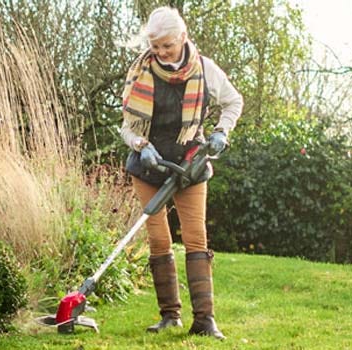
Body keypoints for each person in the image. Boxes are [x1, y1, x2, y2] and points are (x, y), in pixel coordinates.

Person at [120, 6, 243, 339]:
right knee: (159, 239)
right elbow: (127, 127)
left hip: (190, 162)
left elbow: (233, 101)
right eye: (155, 46)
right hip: (148, 165)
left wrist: (221, 132)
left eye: (167, 47)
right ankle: (169, 316)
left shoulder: (205, 69)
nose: (160, 53)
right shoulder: (141, 70)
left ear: (183, 38)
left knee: (195, 237)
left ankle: (204, 320)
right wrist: (140, 145)